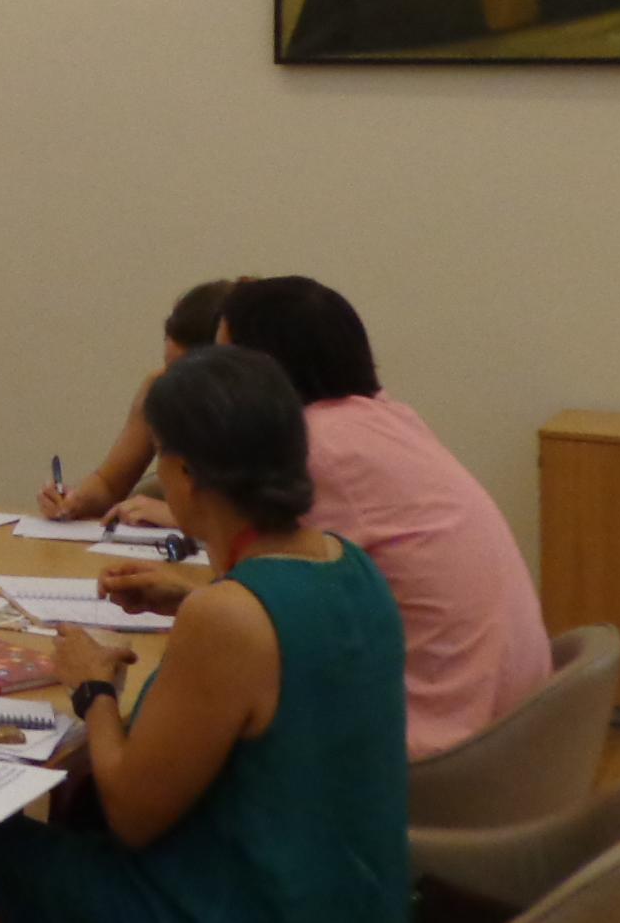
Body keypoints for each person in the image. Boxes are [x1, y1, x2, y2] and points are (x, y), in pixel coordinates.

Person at [0, 346, 410, 923]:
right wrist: (191, 594)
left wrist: (93, 689)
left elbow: (131, 813)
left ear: (186, 476)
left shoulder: (228, 617)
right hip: (357, 917)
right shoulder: (348, 564)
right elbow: (281, 640)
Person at [175, 276, 545, 761]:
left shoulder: (315, 449)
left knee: (192, 729)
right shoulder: (384, 419)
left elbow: (246, 598)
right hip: (512, 722)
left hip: (439, 749)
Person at [36, 279, 233, 522]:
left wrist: (180, 518)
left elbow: (263, 520)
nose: (176, 383)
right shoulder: (158, 388)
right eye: (170, 368)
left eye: (188, 372)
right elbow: (109, 483)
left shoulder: (258, 407)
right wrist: (75, 500)